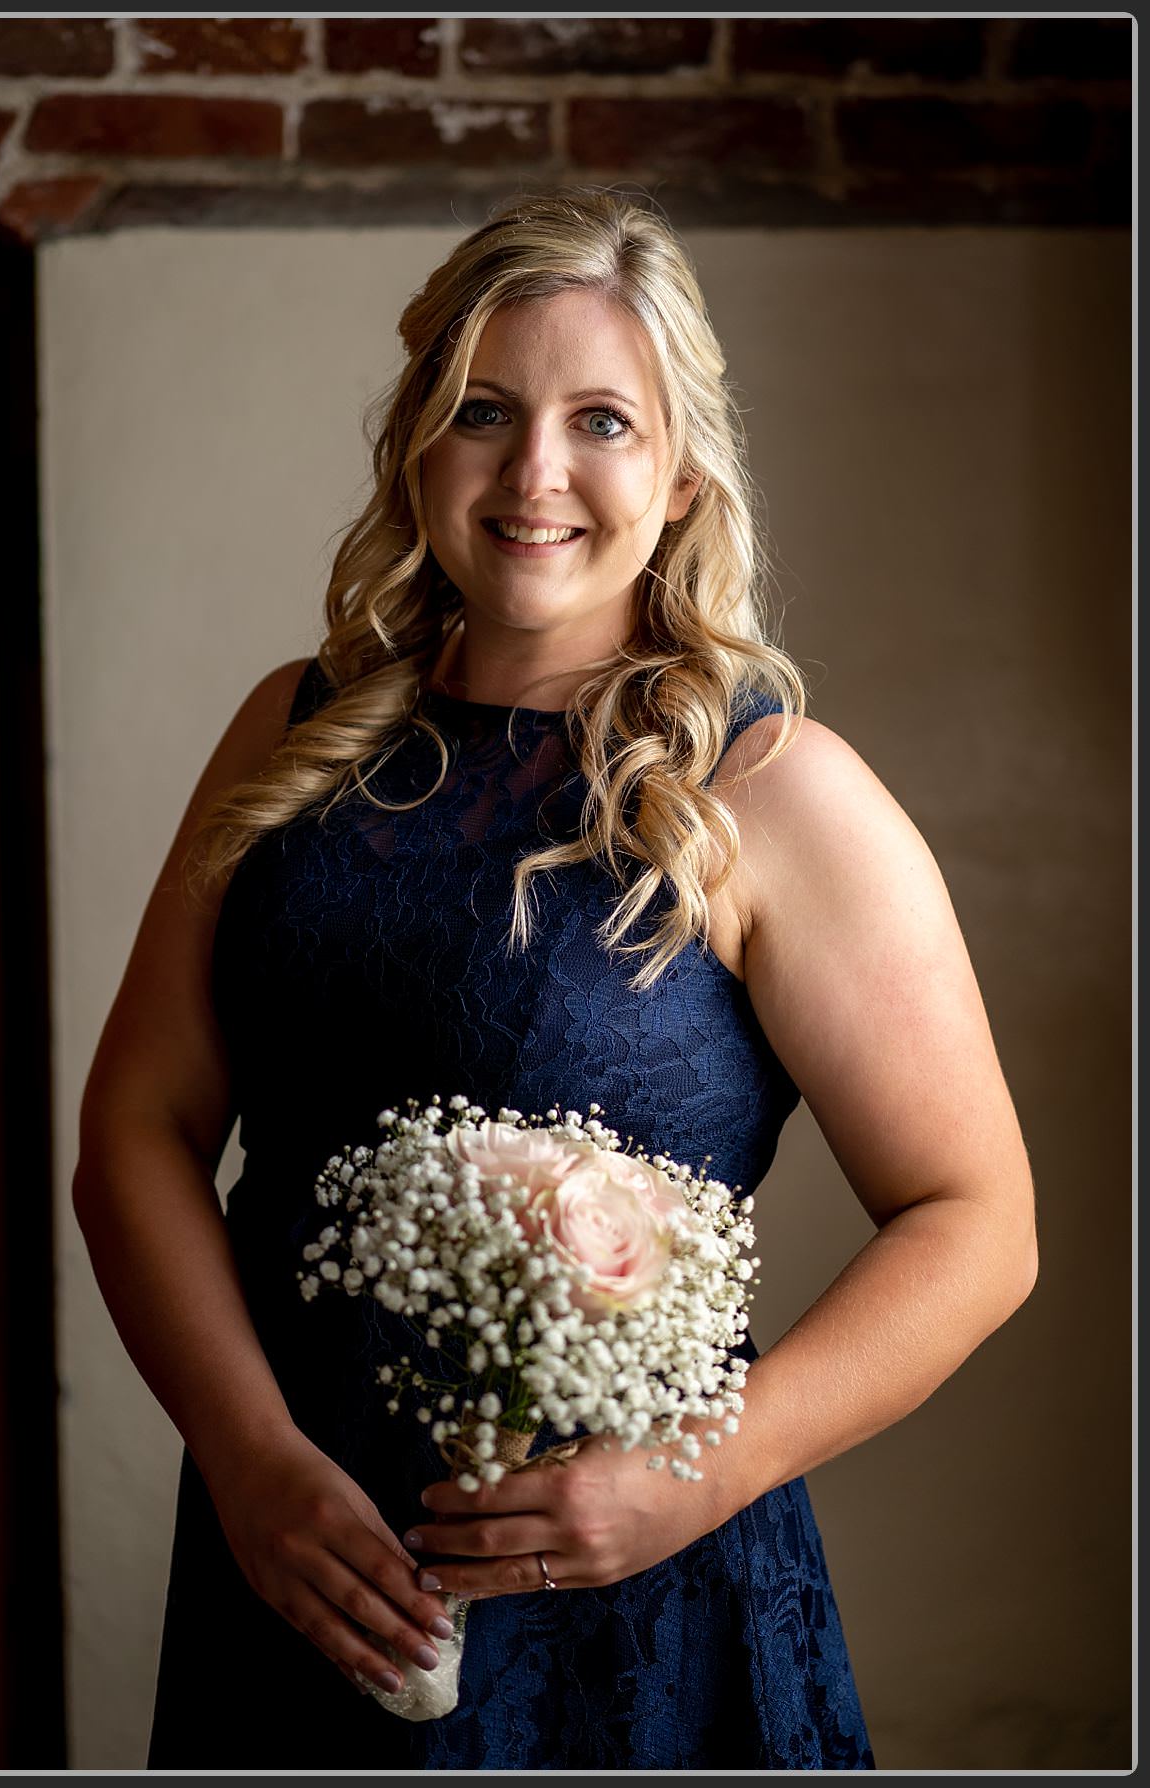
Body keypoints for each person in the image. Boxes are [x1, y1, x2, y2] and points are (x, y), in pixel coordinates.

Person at [71, 188, 1034, 1768]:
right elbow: (139, 1133)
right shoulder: (291, 732)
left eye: (601, 421)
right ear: (418, 451)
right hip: (300, 1565)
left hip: (633, 1591)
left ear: (683, 471)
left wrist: (703, 1474)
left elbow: (981, 1225)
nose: (536, 474)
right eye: (485, 414)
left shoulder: (776, 794)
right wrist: (249, 1458)